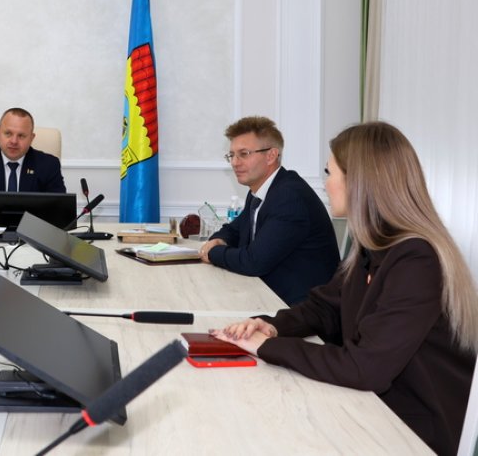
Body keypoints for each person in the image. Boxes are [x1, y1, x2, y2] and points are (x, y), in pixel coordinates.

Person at [213, 122, 478, 455]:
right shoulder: (374, 246)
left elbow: (365, 368)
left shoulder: (415, 260)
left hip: (413, 431)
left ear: (359, 182)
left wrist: (268, 347)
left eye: (330, 173)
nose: (325, 183)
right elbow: (325, 307)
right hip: (374, 408)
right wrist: (272, 326)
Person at [200, 116, 338, 305]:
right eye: (232, 155)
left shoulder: (290, 197)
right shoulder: (260, 191)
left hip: (300, 309)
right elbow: (234, 230)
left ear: (271, 155)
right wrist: (219, 240)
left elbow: (253, 262)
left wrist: (213, 252)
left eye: (244, 154)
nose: (235, 162)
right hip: (269, 295)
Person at [0, 107, 65, 193]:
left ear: (31, 138)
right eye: (8, 133)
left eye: (21, 136)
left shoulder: (49, 165)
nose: (14, 141)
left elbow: (59, 207)